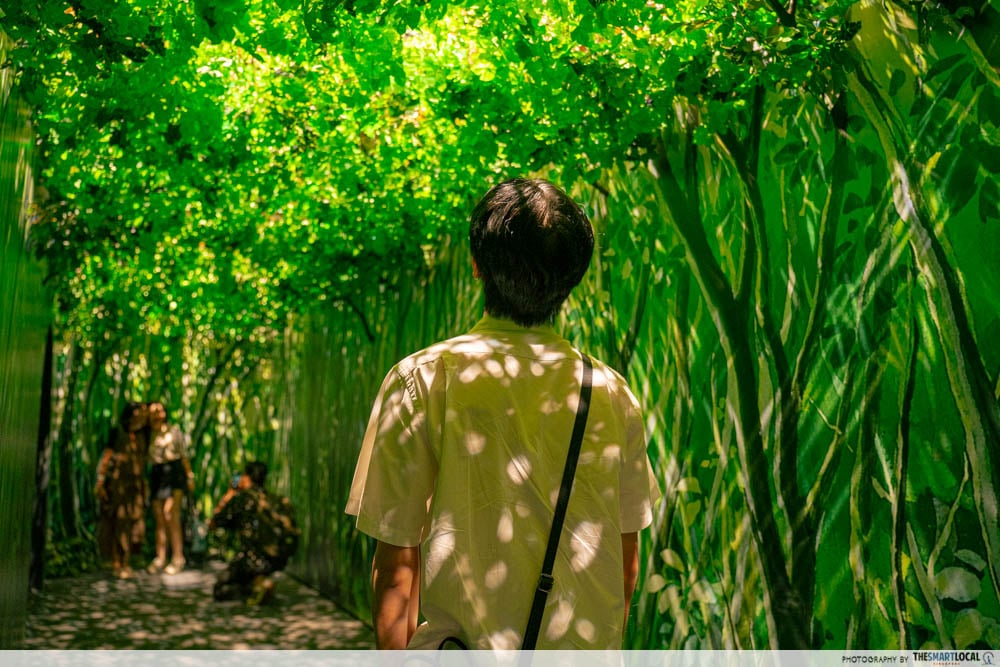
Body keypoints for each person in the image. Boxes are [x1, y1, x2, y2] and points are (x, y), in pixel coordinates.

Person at [346, 178, 661, 649]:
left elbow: (396, 567)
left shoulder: (425, 380)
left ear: (477, 265)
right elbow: (625, 558)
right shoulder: (611, 394)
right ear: (574, 276)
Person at [210, 461, 300, 605]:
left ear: (246, 477)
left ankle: (255, 586)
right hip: (277, 560)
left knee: (220, 589)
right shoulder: (274, 500)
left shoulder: (242, 500)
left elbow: (214, 523)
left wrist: (230, 493)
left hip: (250, 560)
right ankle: (260, 581)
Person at [95, 401, 149, 579]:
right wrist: (101, 481)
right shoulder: (116, 432)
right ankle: (117, 563)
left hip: (135, 487)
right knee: (115, 522)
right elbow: (107, 456)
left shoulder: (143, 435)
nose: (142, 416)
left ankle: (125, 562)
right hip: (117, 485)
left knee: (131, 524)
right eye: (139, 412)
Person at [145, 401, 194, 575]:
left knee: (171, 514)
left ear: (165, 413)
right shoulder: (148, 434)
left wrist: (189, 476)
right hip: (157, 474)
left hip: (174, 472)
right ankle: (160, 557)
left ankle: (178, 558)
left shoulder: (174, 431)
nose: (157, 414)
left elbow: (183, 455)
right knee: (159, 517)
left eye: (159, 411)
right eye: (153, 412)